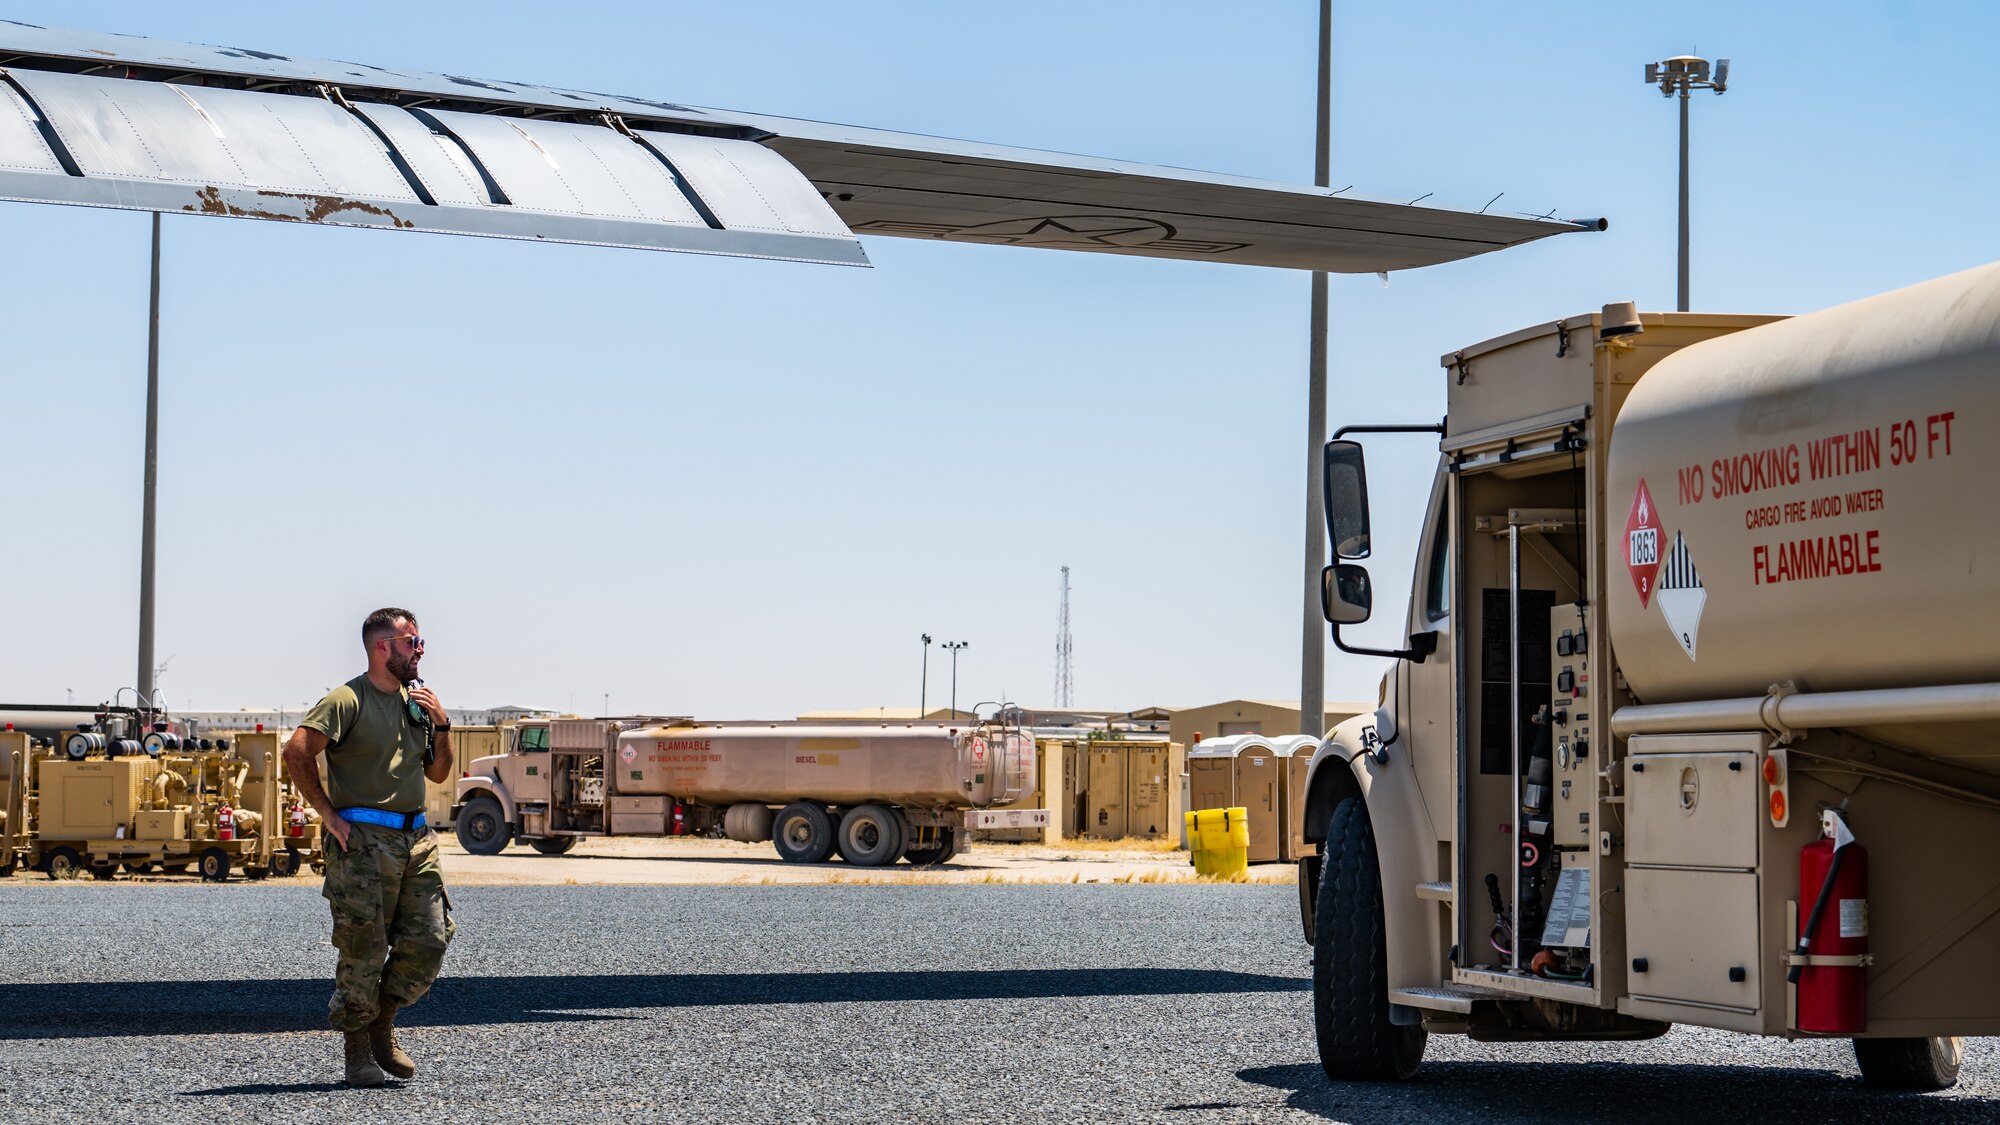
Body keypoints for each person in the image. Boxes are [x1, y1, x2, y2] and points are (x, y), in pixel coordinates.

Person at [283, 607, 455, 1087]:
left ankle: (383, 1021)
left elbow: (438, 773)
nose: (420, 649)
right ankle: (357, 1051)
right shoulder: (346, 700)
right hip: (362, 843)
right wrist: (328, 814)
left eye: (419, 642)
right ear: (383, 647)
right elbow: (296, 752)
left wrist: (441, 724)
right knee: (364, 947)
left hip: (416, 838)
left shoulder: (415, 701)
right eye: (411, 641)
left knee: (430, 939)